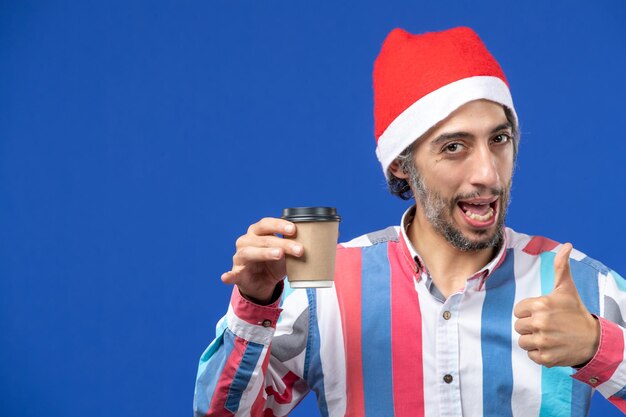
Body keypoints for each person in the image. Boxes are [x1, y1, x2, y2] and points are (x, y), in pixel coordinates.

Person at [193, 27, 626, 417]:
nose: (489, 174)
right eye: (455, 147)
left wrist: (596, 346)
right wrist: (255, 303)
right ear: (401, 163)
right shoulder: (325, 294)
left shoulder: (581, 287)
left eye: (499, 139)